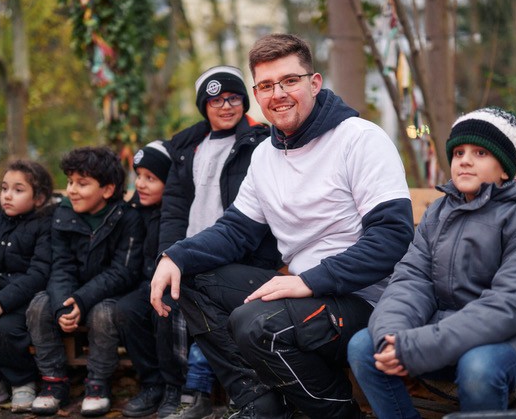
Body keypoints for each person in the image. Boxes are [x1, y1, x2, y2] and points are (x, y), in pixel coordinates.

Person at [150, 33, 414, 419]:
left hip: (365, 299)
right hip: (305, 291)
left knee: (257, 324)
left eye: (290, 80)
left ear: (314, 82)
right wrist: (175, 256)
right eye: (267, 85)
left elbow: (392, 238)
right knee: (189, 277)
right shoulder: (264, 156)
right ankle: (262, 404)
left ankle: (338, 414)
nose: (279, 94)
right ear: (257, 94)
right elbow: (235, 231)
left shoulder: (360, 139)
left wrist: (309, 281)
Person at [347, 107, 516, 418]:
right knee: (364, 346)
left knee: (477, 366)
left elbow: (509, 305)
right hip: (441, 336)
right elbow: (411, 280)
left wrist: (421, 345)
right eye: (458, 152)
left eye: (480, 153)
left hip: (512, 342)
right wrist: (391, 336)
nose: (464, 160)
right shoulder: (439, 213)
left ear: (505, 169)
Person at [159, 65, 282, 419]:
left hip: (239, 255)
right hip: (190, 250)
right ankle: (186, 392)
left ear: (244, 101)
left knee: (221, 318)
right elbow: (174, 208)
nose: (226, 106)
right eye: (216, 101)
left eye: (233, 98)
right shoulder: (187, 147)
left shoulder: (260, 142)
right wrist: (166, 254)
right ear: (204, 106)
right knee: (173, 311)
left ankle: (237, 394)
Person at [26, 146, 144, 417]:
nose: (72, 190)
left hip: (109, 293)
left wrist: (82, 299)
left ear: (107, 189)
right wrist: (63, 304)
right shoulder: (63, 214)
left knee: (104, 314)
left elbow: (123, 272)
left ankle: (98, 383)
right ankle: (54, 381)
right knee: (39, 306)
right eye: (69, 182)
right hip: (71, 291)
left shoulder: (127, 218)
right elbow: (61, 266)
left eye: (82, 183)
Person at [116, 140, 188, 419]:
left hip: (176, 286)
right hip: (145, 284)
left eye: (151, 178)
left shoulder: (179, 214)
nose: (141, 184)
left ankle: (174, 385)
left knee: (166, 311)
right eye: (138, 176)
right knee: (126, 310)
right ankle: (151, 383)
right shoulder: (134, 211)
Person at [0, 160, 54, 413]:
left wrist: (3, 302)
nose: (7, 196)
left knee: (7, 329)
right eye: (4, 188)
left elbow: (39, 272)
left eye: (18, 190)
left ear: (39, 198)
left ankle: (22, 382)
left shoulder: (44, 225)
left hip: (25, 298)